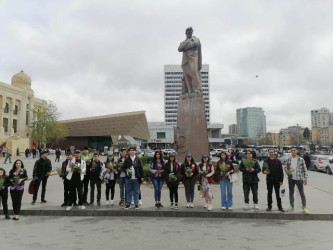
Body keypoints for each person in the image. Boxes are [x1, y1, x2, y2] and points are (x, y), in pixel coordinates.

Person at [178, 27, 202, 94]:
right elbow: (179, 49)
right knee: (186, 75)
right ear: (186, 33)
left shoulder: (196, 39)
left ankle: (197, 88)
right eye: (188, 32)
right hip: (185, 60)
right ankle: (189, 90)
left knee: (194, 72)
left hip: (193, 58)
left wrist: (186, 47)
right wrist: (187, 42)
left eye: (191, 32)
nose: (190, 33)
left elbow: (195, 44)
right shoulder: (183, 42)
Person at [285, 146, 308, 214]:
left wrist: (305, 178)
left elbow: (305, 169)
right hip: (291, 178)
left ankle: (304, 207)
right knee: (291, 193)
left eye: (294, 150)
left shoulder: (301, 159)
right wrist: (286, 170)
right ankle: (291, 206)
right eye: (291, 150)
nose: (293, 151)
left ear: (297, 151)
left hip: (299, 178)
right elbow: (287, 168)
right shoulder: (288, 159)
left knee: (302, 193)